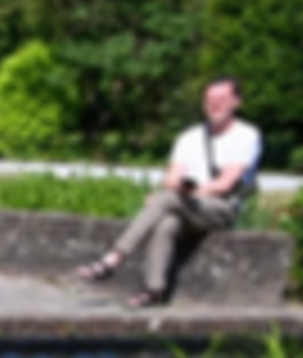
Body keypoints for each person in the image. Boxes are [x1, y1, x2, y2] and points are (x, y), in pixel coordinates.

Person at [76, 76, 263, 308]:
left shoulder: (246, 135)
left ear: (236, 102)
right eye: (209, 100)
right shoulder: (189, 137)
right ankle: (154, 290)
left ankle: (112, 259)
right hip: (187, 205)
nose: (215, 105)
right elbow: (172, 178)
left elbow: (225, 184)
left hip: (221, 207)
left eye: (222, 99)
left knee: (167, 200)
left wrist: (180, 195)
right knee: (167, 223)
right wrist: (178, 190)